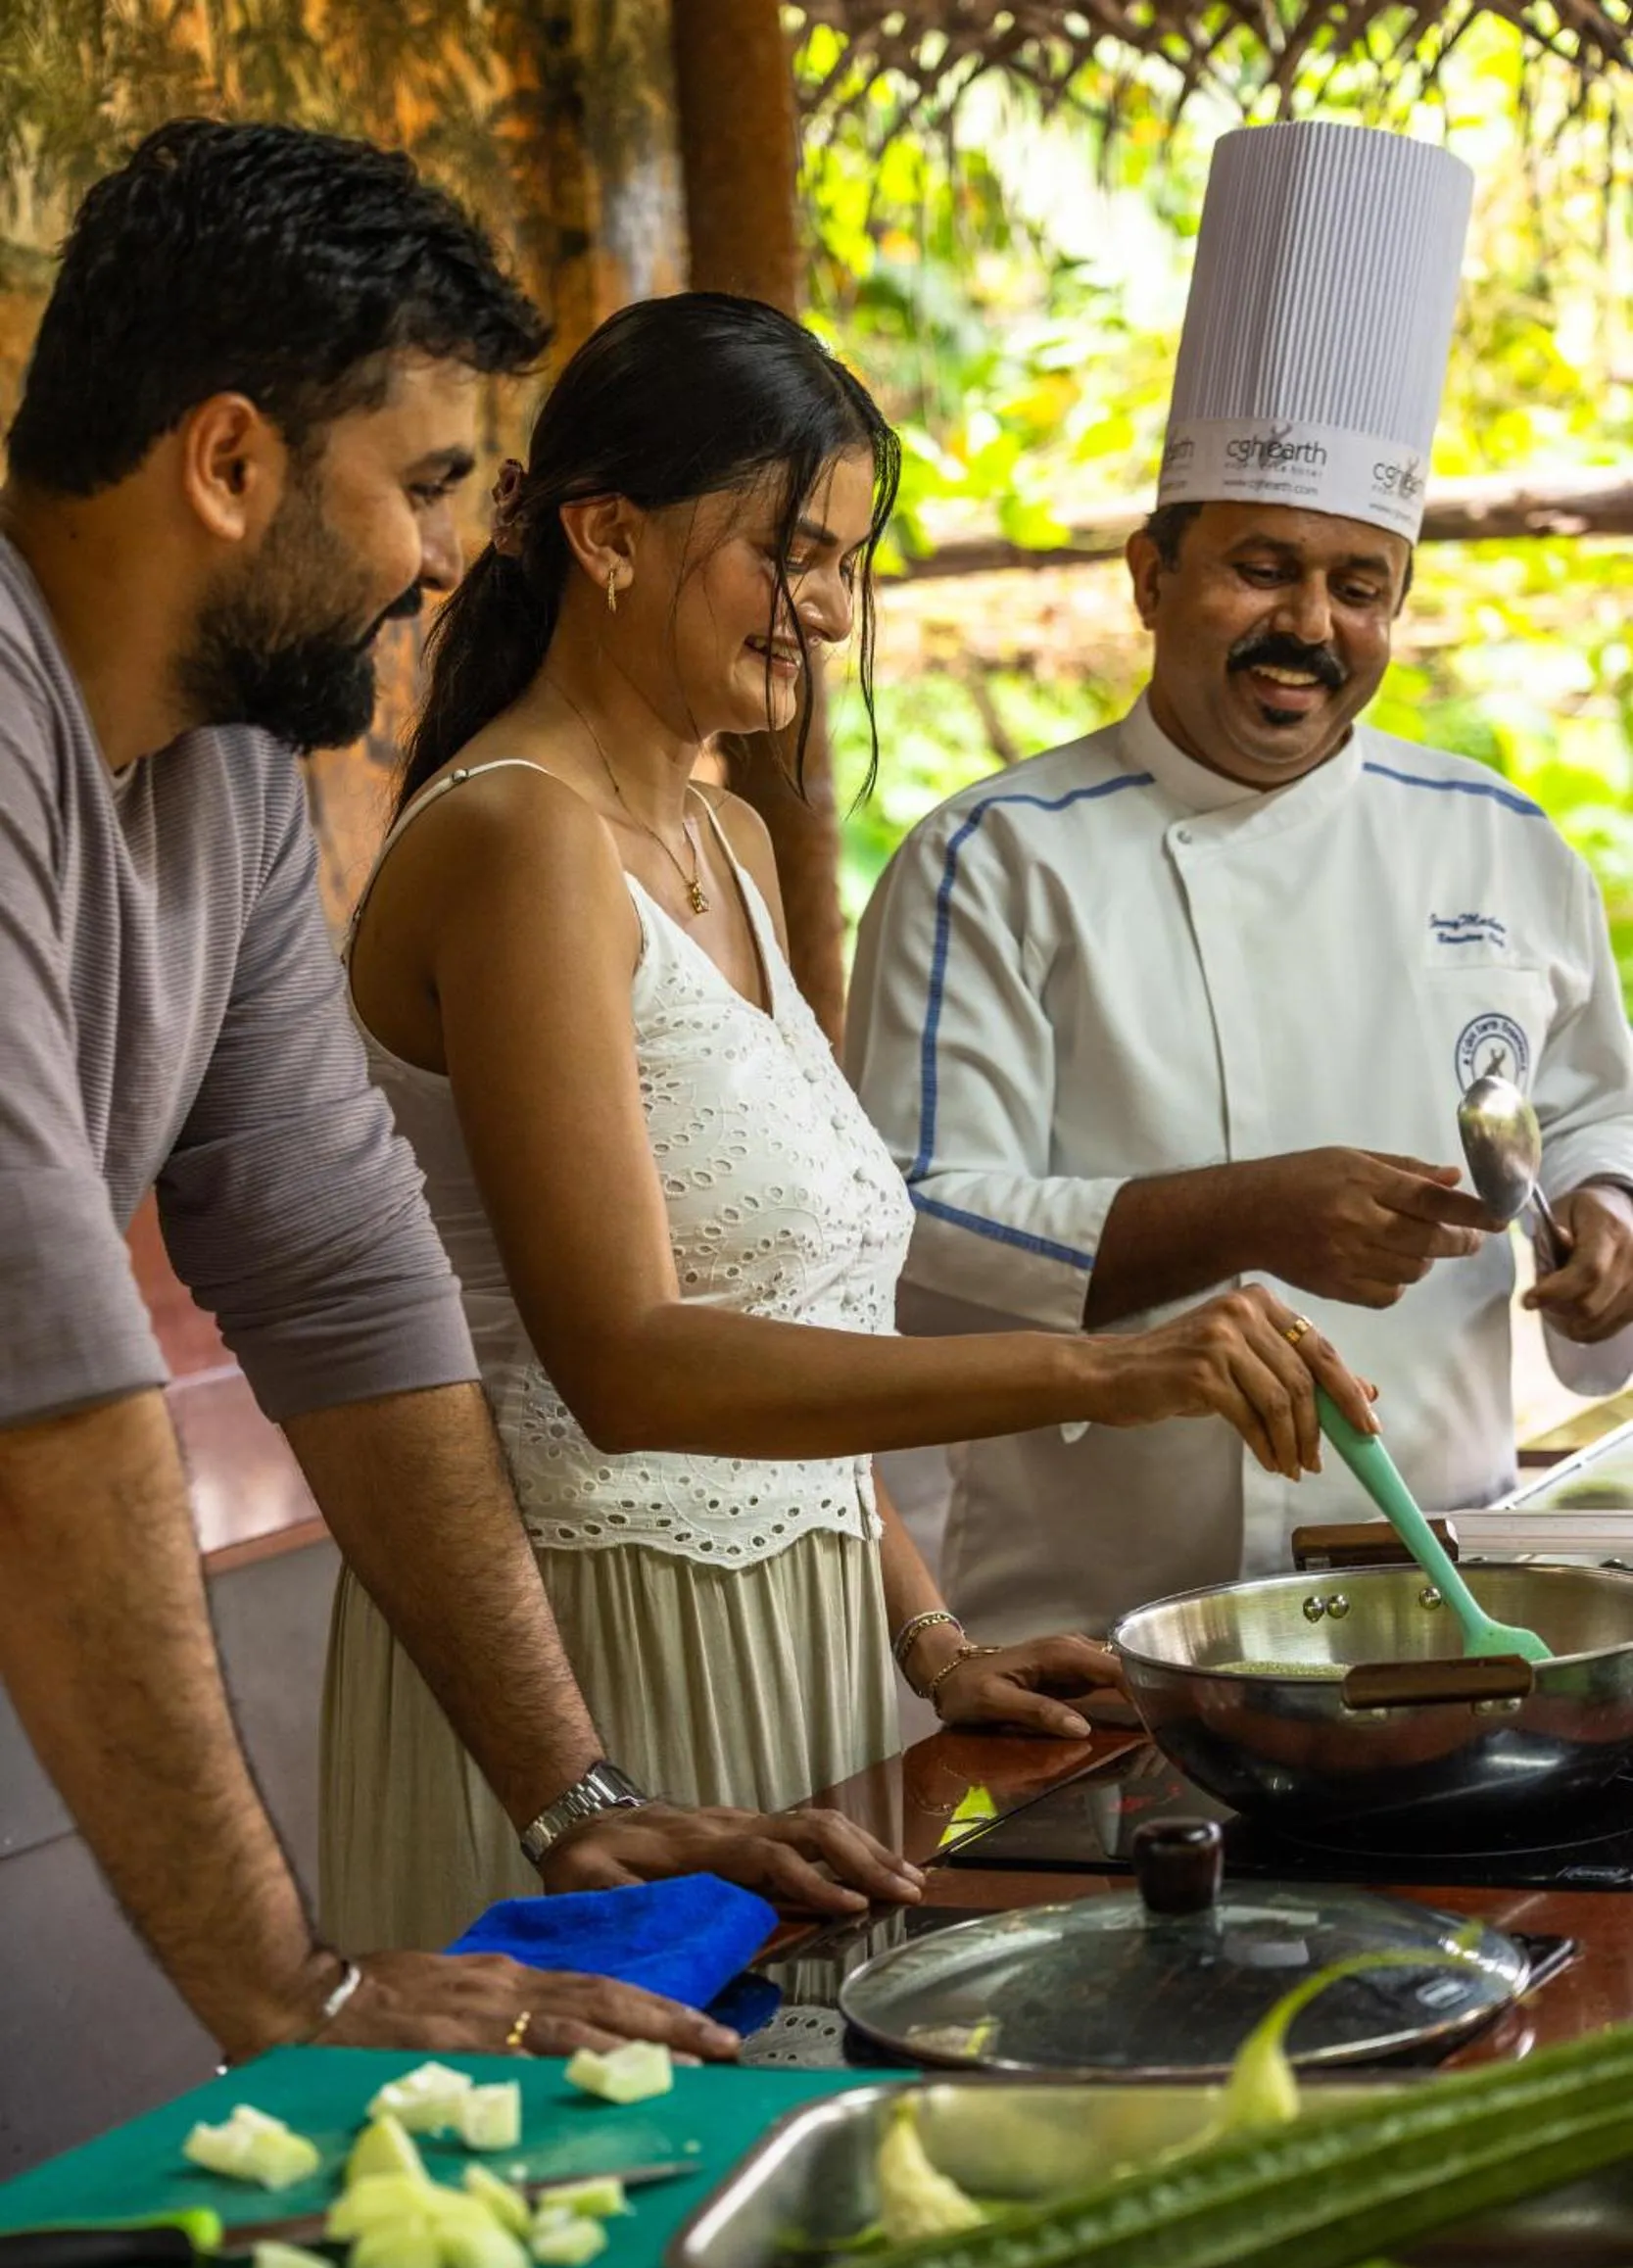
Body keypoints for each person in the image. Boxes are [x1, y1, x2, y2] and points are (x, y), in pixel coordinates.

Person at [0, 121, 937, 2077]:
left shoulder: (231, 774)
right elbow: (55, 1364)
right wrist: (293, 1984)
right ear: (231, 460)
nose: (446, 553)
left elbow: (343, 1273)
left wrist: (569, 1792)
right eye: (425, 483)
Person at [325, 289, 1377, 1954]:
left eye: (845, 563)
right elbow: (633, 1357)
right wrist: (1101, 1365)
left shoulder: (726, 837)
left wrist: (927, 1636)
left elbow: (797, 1297)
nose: (823, 613)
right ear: (604, 535)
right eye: (788, 555)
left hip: (808, 1647)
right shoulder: (519, 844)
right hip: (600, 1656)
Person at [847, 120, 1633, 1648]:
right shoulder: (993, 861)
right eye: (1261, 568)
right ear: (1150, 576)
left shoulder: (1495, 838)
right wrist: (1246, 1215)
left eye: (1357, 585)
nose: (1308, 625)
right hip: (1096, 1637)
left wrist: (1607, 1213)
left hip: (1447, 1603)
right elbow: (908, 1234)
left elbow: (1594, 1106)